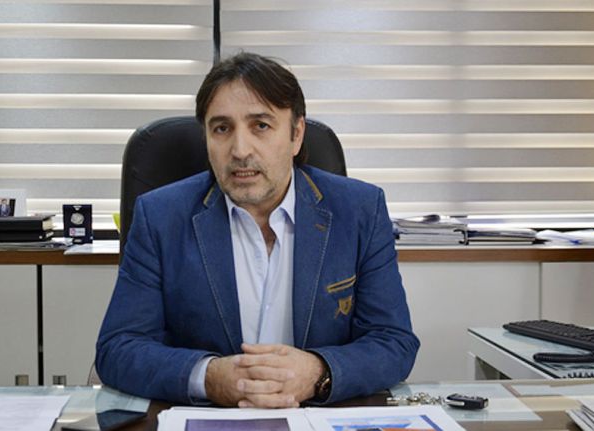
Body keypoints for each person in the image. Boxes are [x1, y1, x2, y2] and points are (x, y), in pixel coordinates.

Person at [96, 52, 419, 408]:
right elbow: (118, 349)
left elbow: (393, 342)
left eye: (261, 126)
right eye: (222, 128)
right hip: (208, 420)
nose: (240, 150)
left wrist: (318, 372)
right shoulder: (160, 217)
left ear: (296, 135)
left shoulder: (359, 210)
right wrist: (208, 377)